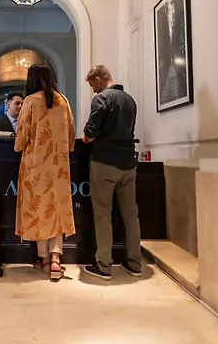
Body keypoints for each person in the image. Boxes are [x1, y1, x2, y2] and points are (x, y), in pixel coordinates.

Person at [14, 64, 75, 280]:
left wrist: (20, 144)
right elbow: (71, 137)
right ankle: (56, 257)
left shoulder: (31, 101)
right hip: (59, 166)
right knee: (57, 208)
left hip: (36, 166)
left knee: (40, 208)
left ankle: (45, 259)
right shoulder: (63, 101)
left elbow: (21, 139)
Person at [82, 65, 141, 281]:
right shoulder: (130, 100)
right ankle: (134, 263)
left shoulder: (102, 99)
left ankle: (104, 266)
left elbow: (89, 134)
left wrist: (87, 136)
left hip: (105, 163)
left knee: (103, 214)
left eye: (92, 85)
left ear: (98, 79)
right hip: (129, 164)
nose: (93, 90)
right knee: (130, 214)